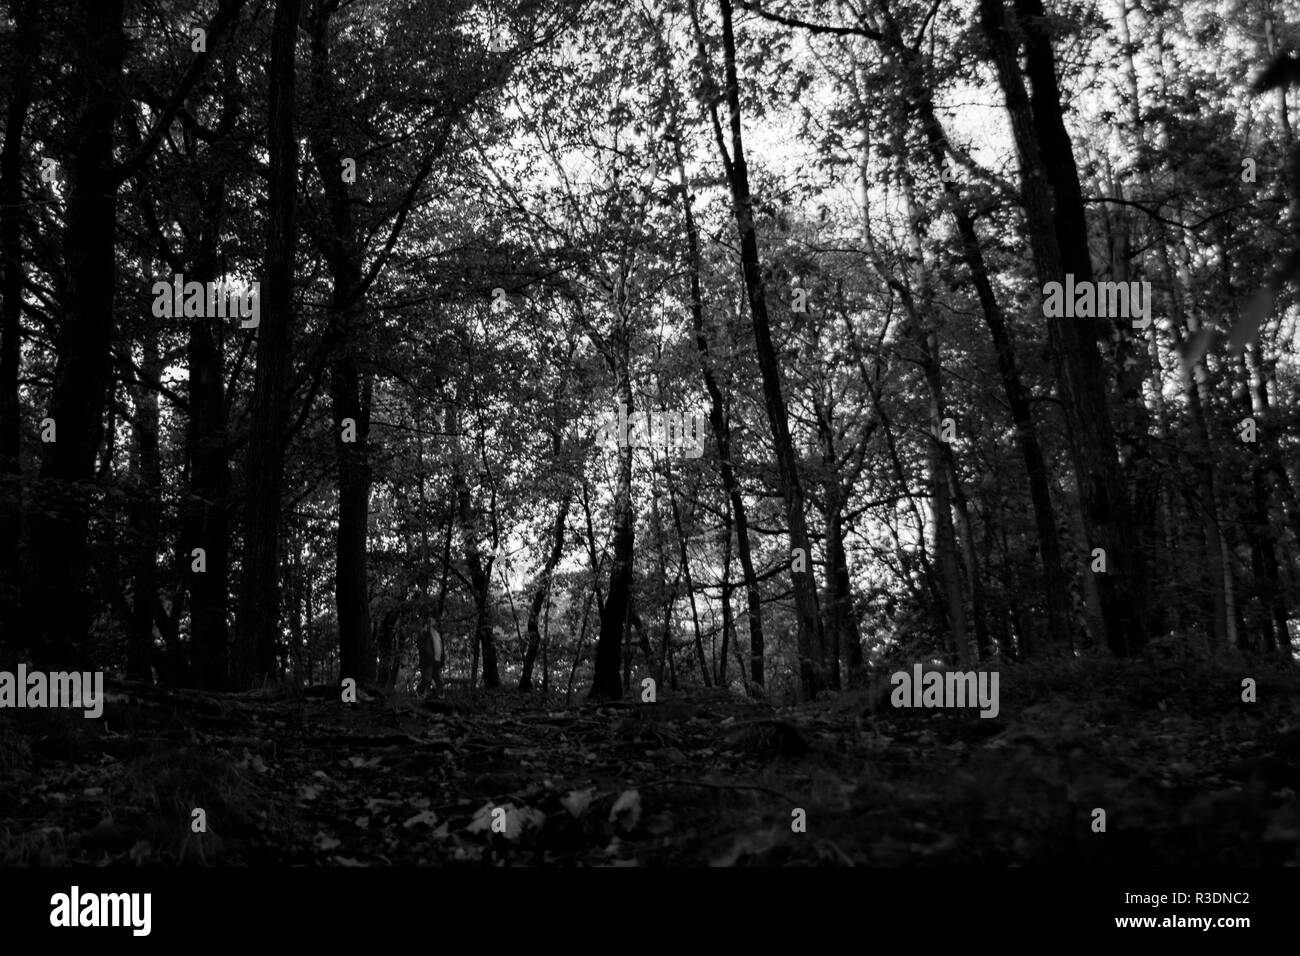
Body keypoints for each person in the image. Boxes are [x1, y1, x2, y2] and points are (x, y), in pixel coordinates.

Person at [416, 620, 444, 697]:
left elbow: (440, 647)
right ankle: (421, 692)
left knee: (438, 679)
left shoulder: (437, 634)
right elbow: (420, 643)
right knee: (427, 678)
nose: (433, 624)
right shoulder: (425, 632)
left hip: (437, 660)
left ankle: (440, 695)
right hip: (429, 660)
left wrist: (442, 660)